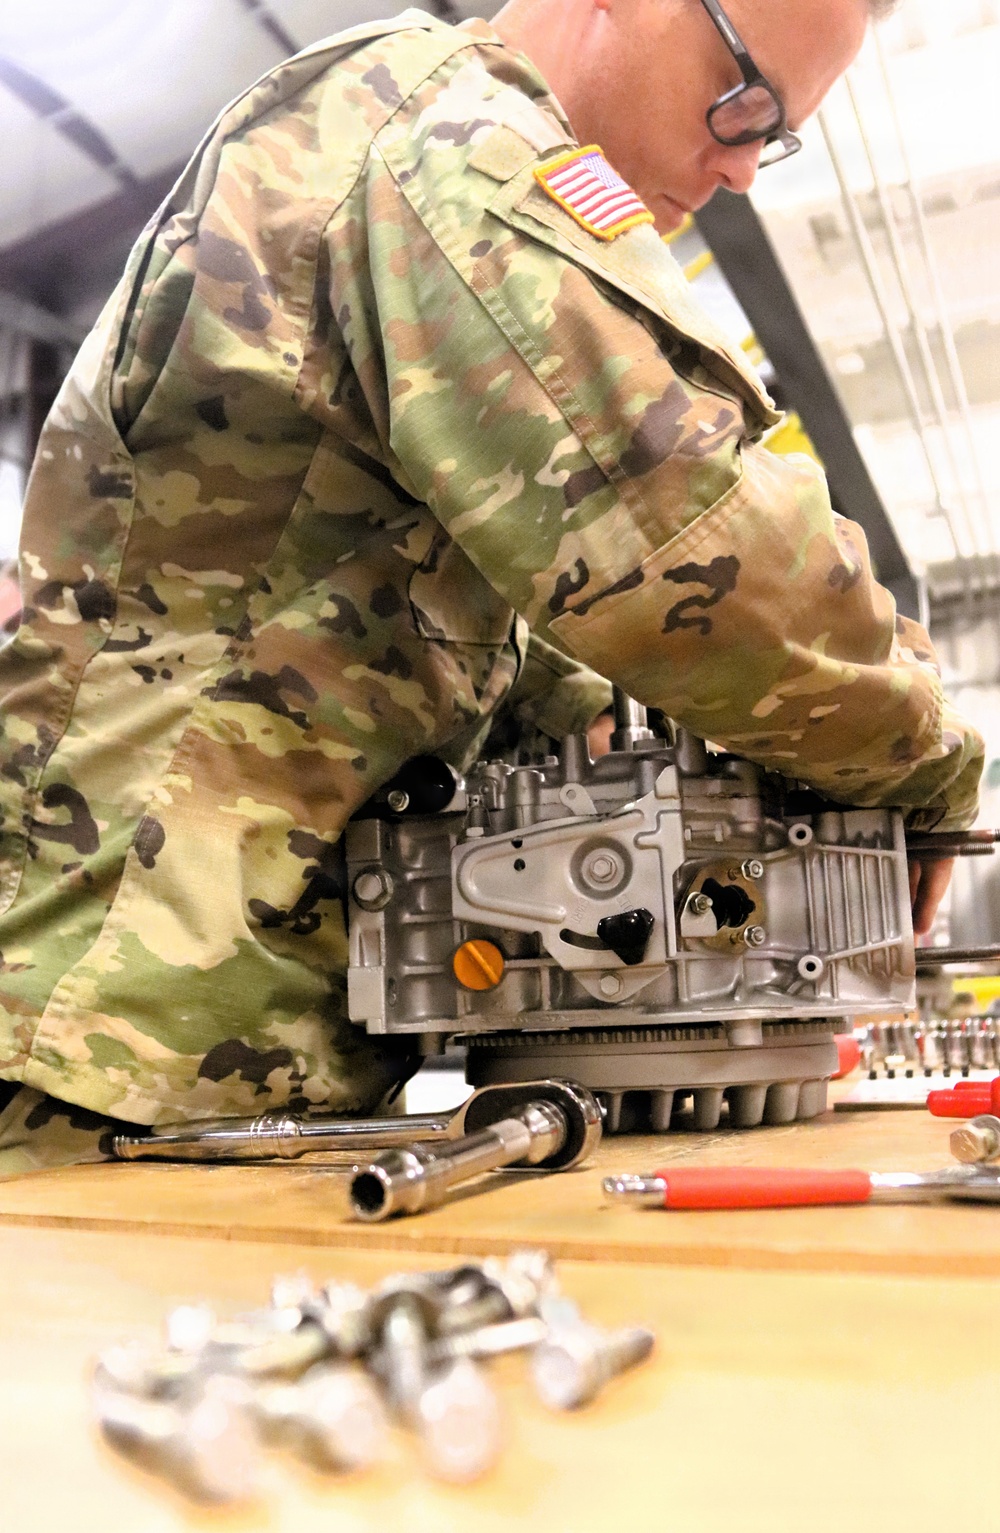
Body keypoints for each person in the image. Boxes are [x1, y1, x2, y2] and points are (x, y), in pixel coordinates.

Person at [0, 0, 981, 1173]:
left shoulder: (421, 174)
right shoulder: (442, 138)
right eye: (742, 99)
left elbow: (491, 652)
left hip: (198, 1043)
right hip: (115, 1032)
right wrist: (927, 760)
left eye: (772, 139)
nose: (738, 167)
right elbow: (689, 548)